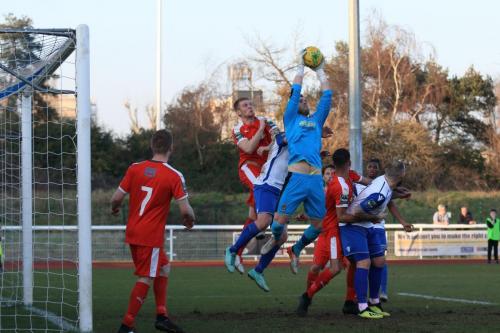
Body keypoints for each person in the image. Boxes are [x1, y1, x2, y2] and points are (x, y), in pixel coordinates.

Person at [111, 130, 195, 333]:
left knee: (164, 267)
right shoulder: (174, 175)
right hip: (150, 237)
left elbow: (116, 198)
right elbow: (185, 209)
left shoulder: (135, 169)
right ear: (171, 148)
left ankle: (162, 315)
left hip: (133, 233)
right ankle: (126, 325)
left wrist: (114, 208)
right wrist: (190, 220)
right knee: (146, 276)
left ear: (152, 146)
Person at [263, 50, 333, 275]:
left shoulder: (316, 120)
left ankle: (296, 249)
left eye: (304, 99)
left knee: (319, 225)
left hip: (315, 180)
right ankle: (275, 240)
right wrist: (301, 67)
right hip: (296, 177)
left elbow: (328, 96)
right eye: (299, 99)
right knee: (277, 224)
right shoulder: (291, 118)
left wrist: (320, 70)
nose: (301, 99)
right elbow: (295, 91)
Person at [296, 149, 378, 316]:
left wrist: (390, 189)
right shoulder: (339, 186)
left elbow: (370, 182)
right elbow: (341, 217)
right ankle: (307, 296)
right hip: (334, 230)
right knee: (334, 268)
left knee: (356, 262)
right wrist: (367, 217)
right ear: (348, 162)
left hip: (344, 229)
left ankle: (349, 302)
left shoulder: (350, 175)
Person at [340, 161, 413, 319]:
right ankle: (361, 306)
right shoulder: (379, 193)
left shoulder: (384, 181)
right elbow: (358, 212)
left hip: (366, 225)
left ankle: (374, 302)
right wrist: (375, 217)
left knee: (379, 261)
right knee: (364, 262)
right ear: (401, 176)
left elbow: (386, 196)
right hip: (353, 226)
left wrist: (398, 192)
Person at [225, 131, 289, 291]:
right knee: (263, 221)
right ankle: (232, 250)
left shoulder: (302, 142)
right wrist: (311, 132)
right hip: (267, 184)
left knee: (282, 236)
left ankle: (258, 271)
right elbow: (284, 139)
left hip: (280, 190)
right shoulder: (284, 135)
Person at [232, 97, 278, 273]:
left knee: (253, 216)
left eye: (251, 104)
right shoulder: (238, 129)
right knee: (265, 192)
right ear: (239, 112)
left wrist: (268, 147)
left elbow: (279, 138)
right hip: (249, 167)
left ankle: (237, 251)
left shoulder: (268, 121)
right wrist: (260, 128)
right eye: (245, 105)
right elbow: (249, 148)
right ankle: (269, 228)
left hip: (267, 169)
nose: (250, 106)